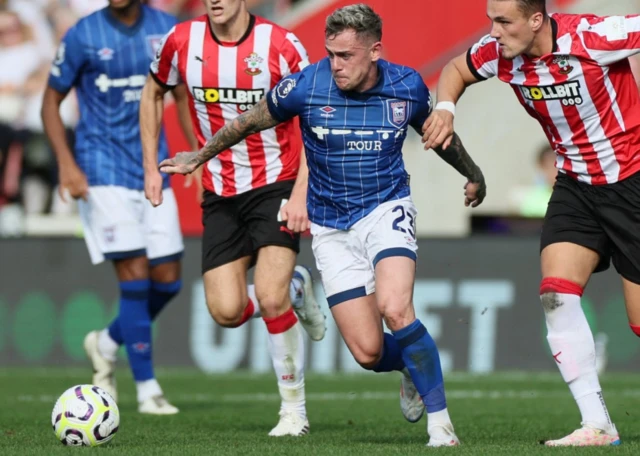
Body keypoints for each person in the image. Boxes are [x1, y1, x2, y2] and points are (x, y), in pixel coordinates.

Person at [159, 3, 488, 447]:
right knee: (368, 353)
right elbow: (245, 122)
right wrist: (198, 156)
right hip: (331, 226)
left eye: (346, 56)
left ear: (375, 51)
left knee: (395, 307)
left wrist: (472, 174)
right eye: (331, 53)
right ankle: (409, 364)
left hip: (385, 208)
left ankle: (441, 426)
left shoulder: (406, 86)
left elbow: (436, 134)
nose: (336, 65)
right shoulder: (306, 86)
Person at [422, 0, 640, 447]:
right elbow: (455, 69)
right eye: (491, 21)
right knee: (555, 296)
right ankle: (597, 425)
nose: (493, 32)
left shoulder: (594, 37)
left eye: (503, 21)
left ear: (536, 20)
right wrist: (445, 108)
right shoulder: (497, 54)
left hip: (631, 183)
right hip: (575, 187)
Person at [142, 0, 327, 436]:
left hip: (276, 183)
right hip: (220, 190)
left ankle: (293, 411)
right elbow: (153, 91)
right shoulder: (181, 41)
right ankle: (296, 285)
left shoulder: (280, 44)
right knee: (226, 310)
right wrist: (150, 166)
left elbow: (317, 110)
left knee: (268, 295)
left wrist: (302, 189)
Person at [42, 0, 197, 415]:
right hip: (100, 170)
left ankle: (106, 341)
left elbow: (181, 96)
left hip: (154, 167)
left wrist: (197, 154)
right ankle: (147, 389)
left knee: (168, 281)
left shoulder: (168, 30)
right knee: (135, 275)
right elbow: (49, 104)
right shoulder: (83, 34)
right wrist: (67, 163)